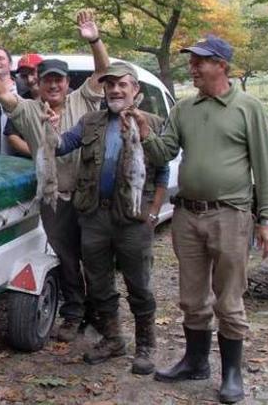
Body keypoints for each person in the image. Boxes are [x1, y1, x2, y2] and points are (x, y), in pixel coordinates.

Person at [134, 35, 268, 404]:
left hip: (230, 215)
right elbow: (165, 151)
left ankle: (232, 373)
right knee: (191, 297)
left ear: (222, 65)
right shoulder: (185, 108)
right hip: (188, 215)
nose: (193, 67)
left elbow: (265, 166)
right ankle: (195, 362)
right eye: (192, 61)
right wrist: (146, 132)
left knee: (229, 298)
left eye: (201, 61)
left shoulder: (249, 107)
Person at [0, 11, 107, 342]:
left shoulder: (84, 100)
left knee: (94, 257)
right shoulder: (30, 110)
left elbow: (104, 72)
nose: (53, 84)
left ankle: (98, 317)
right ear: (39, 80)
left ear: (67, 83)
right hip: (53, 197)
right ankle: (73, 313)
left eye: (59, 79)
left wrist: (94, 40)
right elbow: (4, 97)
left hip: (87, 196)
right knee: (65, 257)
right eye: (48, 79)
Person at [51, 62, 168, 375]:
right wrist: (49, 128)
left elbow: (163, 170)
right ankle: (113, 339)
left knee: (138, 283)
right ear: (103, 90)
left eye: (122, 85)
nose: (115, 90)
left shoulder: (154, 123)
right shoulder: (90, 121)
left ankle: (146, 346)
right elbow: (63, 145)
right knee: (99, 282)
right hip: (94, 215)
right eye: (110, 85)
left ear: (135, 90)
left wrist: (153, 212)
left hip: (133, 218)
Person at [4, 53, 43, 157]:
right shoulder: (21, 100)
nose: (30, 80)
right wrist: (39, 155)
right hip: (29, 163)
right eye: (24, 76)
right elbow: (12, 136)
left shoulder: (65, 96)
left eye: (33, 73)